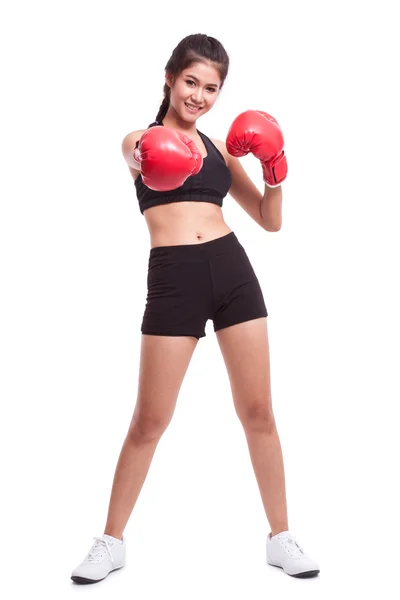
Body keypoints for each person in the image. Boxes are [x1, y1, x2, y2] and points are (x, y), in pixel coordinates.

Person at [70, 33, 320, 584]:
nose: (200, 97)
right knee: (149, 419)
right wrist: (152, 151)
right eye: (191, 82)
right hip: (176, 278)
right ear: (169, 77)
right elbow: (138, 155)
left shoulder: (223, 151)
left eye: (212, 88)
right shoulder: (140, 139)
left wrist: (276, 168)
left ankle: (281, 536)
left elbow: (269, 219)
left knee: (259, 411)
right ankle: (110, 542)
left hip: (233, 271)